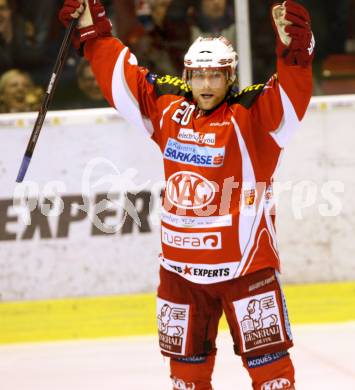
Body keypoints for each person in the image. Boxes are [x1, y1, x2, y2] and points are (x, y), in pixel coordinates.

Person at [59, 0, 314, 389]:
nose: (207, 85)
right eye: (199, 76)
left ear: (230, 78)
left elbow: (292, 98)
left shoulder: (253, 117)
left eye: (216, 76)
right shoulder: (169, 111)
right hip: (180, 275)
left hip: (246, 272)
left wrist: (295, 54)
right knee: (186, 380)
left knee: (273, 377)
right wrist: (94, 35)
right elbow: (124, 82)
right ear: (187, 76)